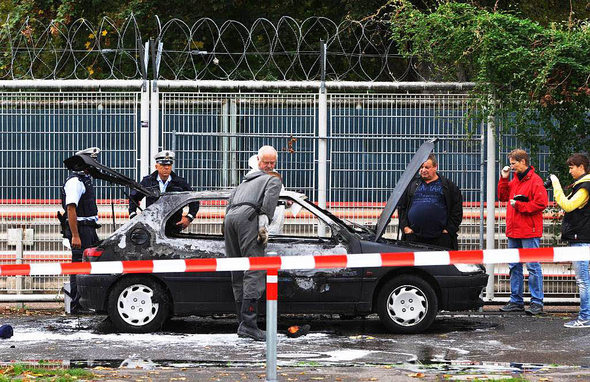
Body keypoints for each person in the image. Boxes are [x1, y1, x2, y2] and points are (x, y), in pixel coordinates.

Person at [224, 146, 282, 341]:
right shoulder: (273, 179)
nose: (269, 166)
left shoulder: (243, 182)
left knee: (237, 268)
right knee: (254, 269)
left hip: (230, 220)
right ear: (258, 160)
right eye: (266, 162)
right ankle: (249, 324)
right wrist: (264, 221)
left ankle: (242, 321)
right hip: (249, 219)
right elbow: (269, 202)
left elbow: (229, 203)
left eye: (272, 163)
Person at [497, 148, 548, 315]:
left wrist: (519, 205)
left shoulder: (535, 181)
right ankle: (517, 301)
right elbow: (503, 196)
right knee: (514, 266)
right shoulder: (515, 180)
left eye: (514, 164)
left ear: (523, 162)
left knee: (533, 266)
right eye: (510, 164)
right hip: (515, 230)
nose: (511, 167)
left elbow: (541, 204)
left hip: (529, 231)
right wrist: (504, 179)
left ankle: (536, 302)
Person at [548, 153, 590, 328]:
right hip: (581, 237)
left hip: (581, 238)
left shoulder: (585, 186)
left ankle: (585, 317)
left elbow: (567, 205)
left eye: (572, 167)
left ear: (581, 167)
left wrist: (556, 183)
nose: (570, 170)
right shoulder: (583, 185)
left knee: (583, 281)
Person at [61, 147, 101, 314]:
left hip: (88, 229)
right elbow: (71, 210)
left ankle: (84, 302)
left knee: (89, 266)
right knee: (78, 266)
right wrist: (76, 236)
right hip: (81, 230)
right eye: (92, 160)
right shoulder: (75, 182)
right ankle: (77, 305)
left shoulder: (85, 179)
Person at [398, 153, 463, 250]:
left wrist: (448, 230)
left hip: (440, 240)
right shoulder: (411, 185)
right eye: (421, 167)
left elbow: (456, 209)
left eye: (427, 167)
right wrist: (405, 228)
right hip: (413, 238)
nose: (423, 170)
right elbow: (402, 207)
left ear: (435, 167)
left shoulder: (448, 186)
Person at [128, 150, 198, 234]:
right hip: (152, 226)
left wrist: (189, 218)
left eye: (169, 165)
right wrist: (133, 215)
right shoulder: (148, 182)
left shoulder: (180, 183)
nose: (166, 168)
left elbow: (194, 200)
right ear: (156, 166)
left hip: (174, 226)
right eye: (163, 165)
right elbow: (134, 197)